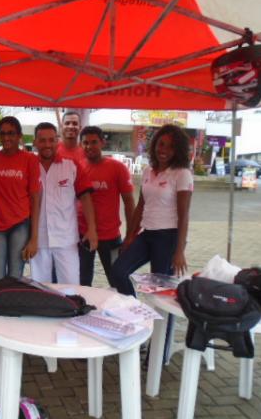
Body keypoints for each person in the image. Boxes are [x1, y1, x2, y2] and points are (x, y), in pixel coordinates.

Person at [108, 124, 193, 295]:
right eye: (161, 144)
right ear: (154, 145)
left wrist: (179, 251)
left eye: (171, 147)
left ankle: (161, 322)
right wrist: (130, 236)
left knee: (161, 290)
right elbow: (141, 205)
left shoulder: (182, 173)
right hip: (147, 234)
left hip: (168, 238)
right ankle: (133, 310)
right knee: (118, 271)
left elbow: (184, 216)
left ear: (178, 150)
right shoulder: (148, 171)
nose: (164, 150)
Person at [30, 122, 98, 284]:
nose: (47, 144)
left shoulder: (71, 165)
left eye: (51, 140)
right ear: (35, 142)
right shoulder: (29, 165)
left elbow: (86, 198)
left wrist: (92, 229)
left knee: (71, 287)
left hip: (66, 238)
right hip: (38, 239)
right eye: (42, 140)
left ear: (57, 141)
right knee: (41, 288)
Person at [0, 116, 41, 283]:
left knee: (15, 277)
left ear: (19, 135)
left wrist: (34, 238)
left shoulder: (30, 160)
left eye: (11, 133)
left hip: (20, 224)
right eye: (3, 133)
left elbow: (35, 199)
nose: (7, 137)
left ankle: (11, 308)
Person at [77, 126, 135, 287]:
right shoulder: (78, 167)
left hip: (110, 236)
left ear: (103, 142)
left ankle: (127, 309)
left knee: (118, 280)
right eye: (85, 143)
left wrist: (130, 235)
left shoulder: (117, 168)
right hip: (84, 234)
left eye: (94, 142)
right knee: (83, 281)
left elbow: (129, 203)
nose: (89, 146)